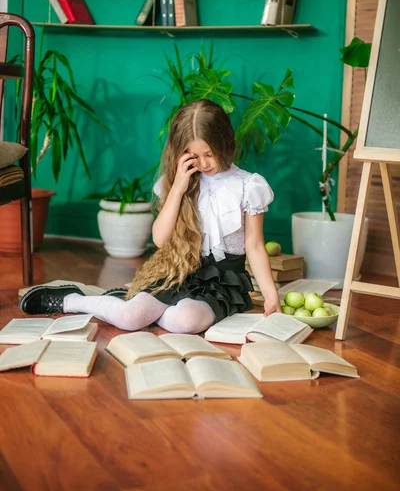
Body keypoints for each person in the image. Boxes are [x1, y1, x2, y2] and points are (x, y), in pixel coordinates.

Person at [19, 99, 281, 333]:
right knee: (130, 318)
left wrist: (271, 296)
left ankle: (134, 305)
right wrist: (178, 187)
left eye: (209, 154)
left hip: (222, 284)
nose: (203, 164)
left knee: (185, 322)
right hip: (180, 270)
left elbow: (255, 246)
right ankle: (70, 300)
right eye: (195, 156)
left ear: (225, 142)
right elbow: (160, 239)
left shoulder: (248, 186)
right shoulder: (182, 181)